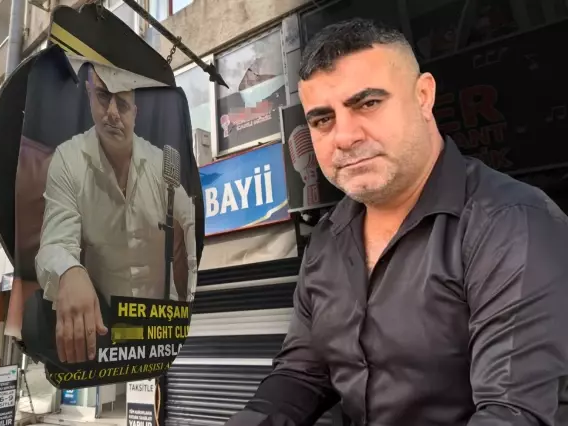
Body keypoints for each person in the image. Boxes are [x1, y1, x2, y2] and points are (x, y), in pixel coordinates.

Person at [225, 18, 568, 426]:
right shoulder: (328, 239)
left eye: (368, 104)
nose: (344, 136)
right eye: (322, 120)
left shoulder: (511, 223)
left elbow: (513, 413)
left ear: (423, 96)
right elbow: (301, 374)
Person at [35, 62, 197, 365]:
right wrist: (69, 272)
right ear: (89, 95)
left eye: (122, 103)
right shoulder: (68, 159)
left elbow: (191, 232)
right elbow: (53, 244)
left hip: (160, 330)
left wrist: (184, 304)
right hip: (105, 329)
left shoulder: (163, 164)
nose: (111, 112)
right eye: (102, 96)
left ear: (135, 113)